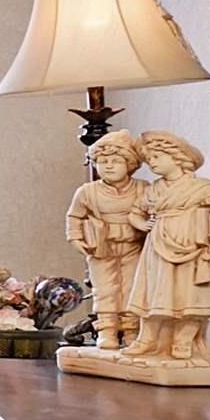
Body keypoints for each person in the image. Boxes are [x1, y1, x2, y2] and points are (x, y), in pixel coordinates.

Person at [121, 130, 210, 366]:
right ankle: (146, 339)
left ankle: (183, 340)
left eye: (157, 157)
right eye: (149, 159)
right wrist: (143, 224)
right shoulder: (153, 190)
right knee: (153, 294)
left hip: (193, 246)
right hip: (158, 245)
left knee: (190, 294)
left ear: (178, 157)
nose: (152, 163)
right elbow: (135, 213)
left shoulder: (206, 188)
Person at [62, 130, 147, 351]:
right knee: (105, 289)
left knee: (133, 288)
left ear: (130, 163)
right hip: (101, 247)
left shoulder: (143, 189)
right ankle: (107, 331)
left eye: (116, 161)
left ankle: (131, 332)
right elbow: (75, 216)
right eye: (102, 161)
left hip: (134, 246)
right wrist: (75, 238)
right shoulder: (87, 192)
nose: (108, 166)